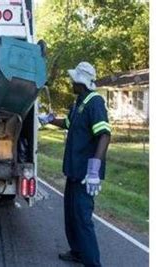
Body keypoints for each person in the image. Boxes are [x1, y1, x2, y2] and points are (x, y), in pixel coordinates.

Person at [39, 62, 111, 267]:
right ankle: (77, 252)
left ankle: (92, 263)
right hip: (73, 170)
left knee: (82, 218)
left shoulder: (95, 103)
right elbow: (69, 123)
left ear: (82, 82)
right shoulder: (80, 101)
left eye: (73, 80)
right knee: (71, 214)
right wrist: (50, 119)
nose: (70, 82)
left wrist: (95, 169)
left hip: (86, 173)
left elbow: (104, 135)